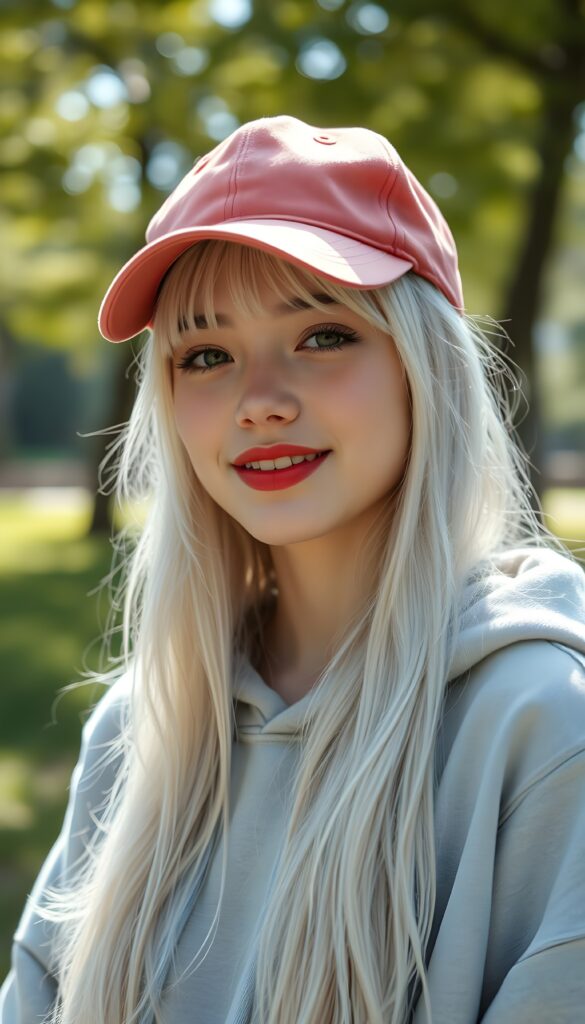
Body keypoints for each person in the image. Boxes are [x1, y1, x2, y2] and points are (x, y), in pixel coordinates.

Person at [2, 114, 585, 1024]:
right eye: (206, 355)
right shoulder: (140, 730)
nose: (259, 402)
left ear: (421, 363)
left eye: (321, 335)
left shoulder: (542, 726)